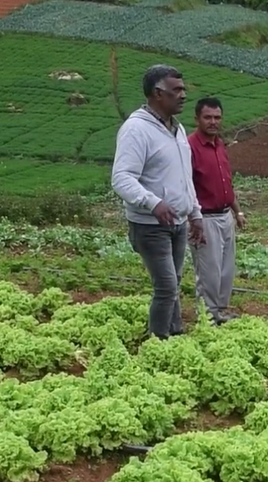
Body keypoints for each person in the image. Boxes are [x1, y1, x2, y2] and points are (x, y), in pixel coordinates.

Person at [111, 64, 204, 340]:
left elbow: (184, 177)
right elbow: (122, 178)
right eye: (176, 90)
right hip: (150, 225)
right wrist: (153, 202)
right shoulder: (136, 129)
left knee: (173, 283)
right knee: (166, 286)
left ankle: (174, 333)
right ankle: (158, 342)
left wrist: (195, 213)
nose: (183, 95)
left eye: (183, 89)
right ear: (157, 94)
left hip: (176, 223)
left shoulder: (176, 129)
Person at [187, 96, 246, 326]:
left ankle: (219, 312)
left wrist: (237, 212)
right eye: (208, 117)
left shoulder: (219, 144)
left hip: (225, 215)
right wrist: (193, 219)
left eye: (217, 117)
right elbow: (186, 185)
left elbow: (226, 184)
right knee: (209, 273)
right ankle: (207, 317)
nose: (213, 122)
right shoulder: (190, 147)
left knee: (225, 271)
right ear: (197, 118)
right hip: (204, 218)